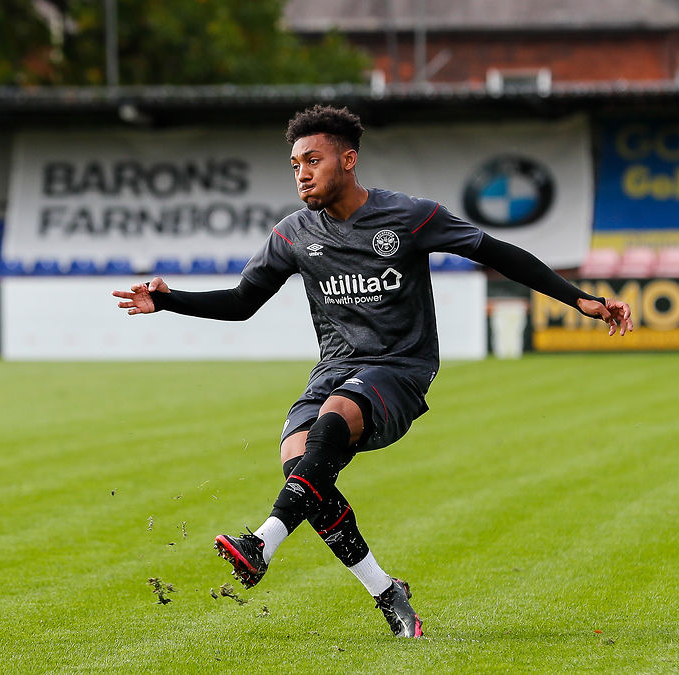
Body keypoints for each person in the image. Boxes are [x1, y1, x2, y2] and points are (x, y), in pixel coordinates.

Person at [112, 105, 632, 639]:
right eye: (295, 165)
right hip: (335, 369)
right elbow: (243, 301)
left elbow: (496, 251)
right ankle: (387, 592)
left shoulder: (410, 217)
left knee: (334, 422)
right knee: (300, 466)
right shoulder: (292, 234)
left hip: (399, 369)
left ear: (349, 159)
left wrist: (581, 299)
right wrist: (171, 301)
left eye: (313, 160)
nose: (302, 173)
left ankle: (261, 542)